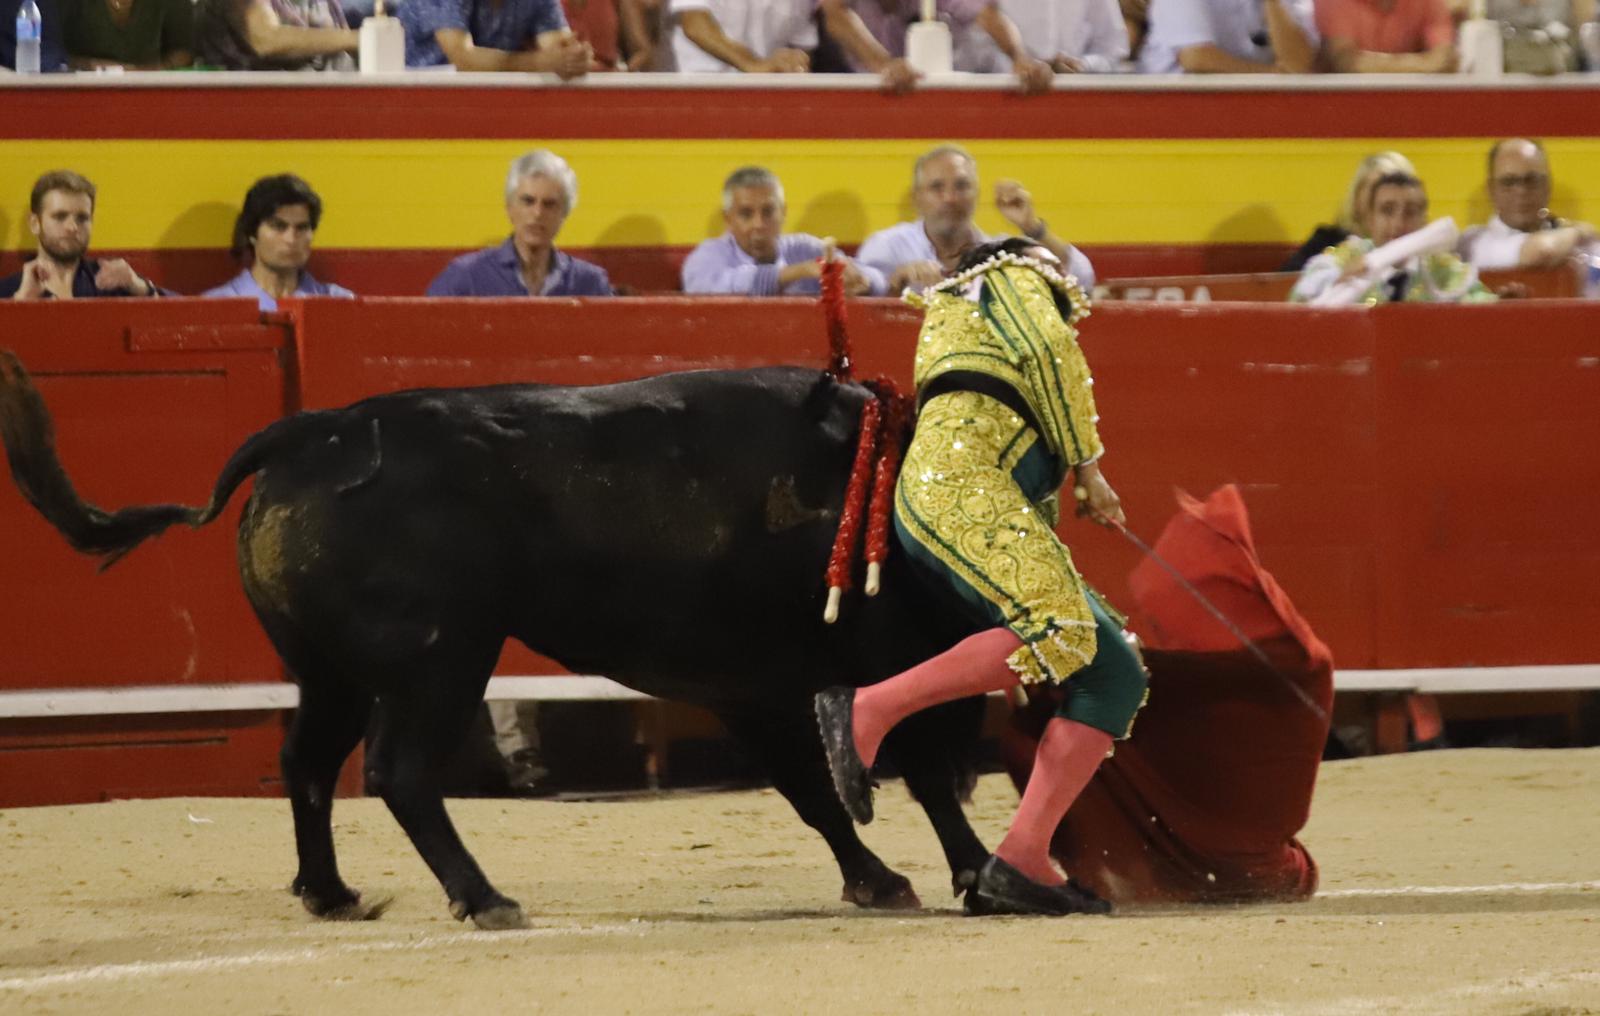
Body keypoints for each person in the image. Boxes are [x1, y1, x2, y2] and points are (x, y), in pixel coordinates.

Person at [816, 236, 1148, 917]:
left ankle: (1020, 858)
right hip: (963, 487)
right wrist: (1090, 466)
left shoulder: (963, 308)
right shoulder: (1012, 276)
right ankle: (866, 711)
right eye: (1055, 263)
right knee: (1058, 628)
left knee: (1113, 670)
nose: (1064, 276)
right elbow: (1053, 352)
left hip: (959, 494)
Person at [1001, 485, 1333, 905]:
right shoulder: (1302, 664)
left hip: (1173, 862)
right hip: (1266, 873)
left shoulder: (1164, 675)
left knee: (1034, 732)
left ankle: (1106, 879)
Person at [856, 144, 1095, 293]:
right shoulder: (887, 247)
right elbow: (858, 301)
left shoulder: (1003, 252)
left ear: (977, 195)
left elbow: (1081, 280)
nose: (950, 198)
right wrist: (896, 282)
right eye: (937, 187)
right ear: (917, 198)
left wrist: (1032, 228)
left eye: (962, 186)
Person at [427, 150, 614, 297]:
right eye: (528, 201)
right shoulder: (465, 277)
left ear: (564, 213)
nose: (538, 213)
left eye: (549, 204)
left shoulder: (590, 283)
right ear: (510, 207)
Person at [1290, 170, 1493, 304]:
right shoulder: (1344, 259)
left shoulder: (1444, 269)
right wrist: (1337, 281)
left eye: (1411, 212)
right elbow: (1300, 298)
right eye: (1387, 211)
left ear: (1424, 221)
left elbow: (1484, 307)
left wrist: (1502, 302)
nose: (1398, 223)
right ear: (1370, 219)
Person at [681, 166, 887, 296]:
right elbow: (711, 290)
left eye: (768, 212)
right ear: (728, 219)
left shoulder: (805, 248)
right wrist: (798, 272)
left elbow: (878, 281)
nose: (758, 224)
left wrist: (862, 282)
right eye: (746, 214)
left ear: (783, 213)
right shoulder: (708, 256)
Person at [817, 0, 1055, 92]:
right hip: (853, 91)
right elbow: (836, 16)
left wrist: (1020, 58)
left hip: (923, 91)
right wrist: (885, 66)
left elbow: (987, 15)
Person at [2, 170, 164, 300]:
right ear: (35, 223)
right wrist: (20, 303)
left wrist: (140, 288)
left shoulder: (111, 283)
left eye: (82, 218)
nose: (72, 227)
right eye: (60, 216)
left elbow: (180, 318)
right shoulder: (9, 291)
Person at [203, 174, 353, 312]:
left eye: (302, 227)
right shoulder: (213, 307)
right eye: (278, 226)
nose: (291, 239)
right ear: (252, 233)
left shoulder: (341, 304)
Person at [1457, 138, 1599, 271]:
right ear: (1491, 190)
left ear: (1547, 186)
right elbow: (1542, 251)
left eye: (1532, 179)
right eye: (1509, 182)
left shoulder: (1569, 236)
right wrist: (1578, 232)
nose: (1522, 191)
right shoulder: (1476, 242)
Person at [1280, 149, 1415, 272]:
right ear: (1356, 199)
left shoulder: (1421, 250)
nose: (1383, 201)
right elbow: (1284, 287)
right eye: (1375, 191)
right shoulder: (1326, 242)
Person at [400, 0, 592, 73]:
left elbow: (559, 48)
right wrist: (538, 63)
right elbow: (463, 58)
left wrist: (572, 58)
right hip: (413, 105)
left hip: (490, 106)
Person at [1137, 0, 1317, 73]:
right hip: (1171, 106)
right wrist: (1271, 76)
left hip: (1249, 106)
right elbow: (1197, 59)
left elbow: (1298, 66)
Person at [193, 0, 355, 69]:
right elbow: (266, 39)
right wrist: (360, 38)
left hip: (332, 102)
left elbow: (344, 45)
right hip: (260, 110)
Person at [668, 0, 816, 73]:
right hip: (701, 90)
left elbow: (800, 46)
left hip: (768, 96)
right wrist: (753, 64)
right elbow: (695, 25)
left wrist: (794, 64)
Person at [1315, 0, 1455, 73]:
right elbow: (1347, 63)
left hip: (1406, 104)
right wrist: (1424, 64)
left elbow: (1446, 59)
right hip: (1342, 104)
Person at [63, 0, 194, 69]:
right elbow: (52, 50)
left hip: (150, 93)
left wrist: (147, 73)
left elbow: (183, 51)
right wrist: (88, 66)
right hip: (85, 92)